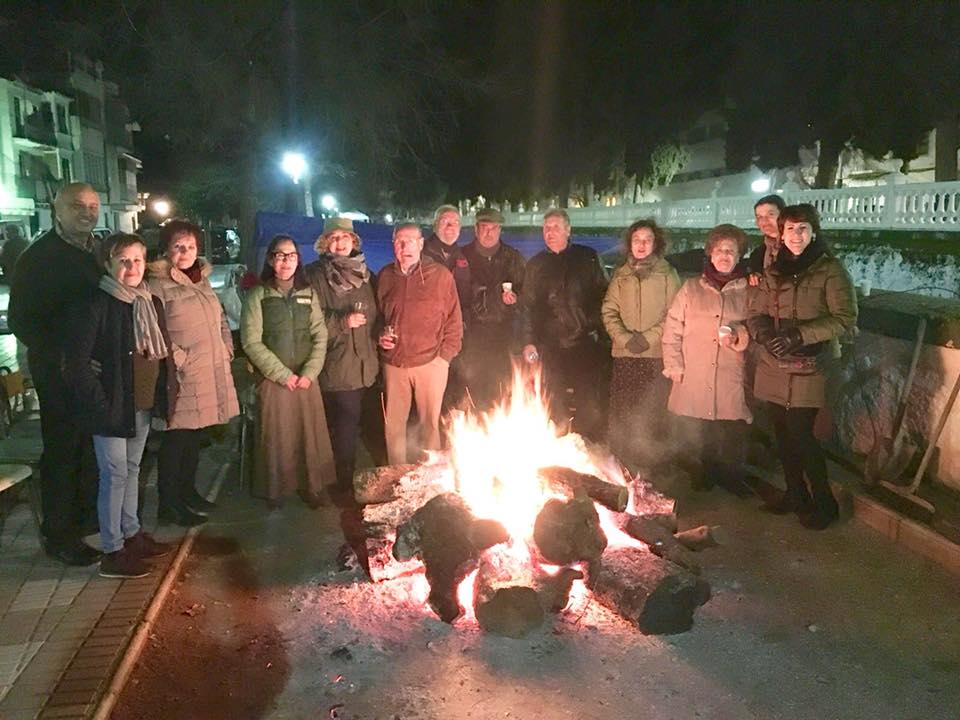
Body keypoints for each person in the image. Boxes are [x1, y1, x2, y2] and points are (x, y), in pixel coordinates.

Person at [63, 233, 172, 578]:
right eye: (123, 260)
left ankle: (131, 532)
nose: (131, 267)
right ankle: (112, 549)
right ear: (108, 264)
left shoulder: (147, 302)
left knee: (133, 471)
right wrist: (101, 405)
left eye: (137, 260)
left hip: (139, 403)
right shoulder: (96, 304)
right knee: (114, 475)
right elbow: (76, 365)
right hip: (111, 408)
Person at [8, 183, 103, 565]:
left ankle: (84, 522)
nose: (87, 212)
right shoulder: (39, 258)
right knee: (63, 450)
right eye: (78, 206)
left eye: (93, 206)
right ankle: (59, 535)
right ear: (56, 210)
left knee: (88, 448)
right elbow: (21, 321)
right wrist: (69, 357)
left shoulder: (95, 250)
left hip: (93, 372)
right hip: (60, 373)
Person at [747, 204, 857, 529]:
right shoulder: (774, 270)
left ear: (814, 232)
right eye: (790, 229)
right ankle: (795, 496)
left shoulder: (831, 270)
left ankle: (824, 502)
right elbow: (756, 312)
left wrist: (799, 334)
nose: (796, 236)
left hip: (811, 362)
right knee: (781, 435)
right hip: (774, 363)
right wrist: (765, 334)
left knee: (801, 436)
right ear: (780, 234)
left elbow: (844, 318)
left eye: (803, 229)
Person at [146, 219, 239, 526]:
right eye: (178, 246)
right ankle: (170, 504)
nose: (185, 252)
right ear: (166, 249)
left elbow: (220, 318)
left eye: (191, 247)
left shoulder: (201, 280)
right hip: (182, 376)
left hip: (209, 371)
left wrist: (226, 347)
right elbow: (154, 331)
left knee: (195, 439)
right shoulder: (157, 284)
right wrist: (180, 359)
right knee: (176, 442)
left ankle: (189, 493)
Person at [242, 234, 335, 507]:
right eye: (280, 255)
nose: (286, 261)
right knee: (276, 437)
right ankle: (276, 489)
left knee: (308, 435)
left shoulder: (308, 293)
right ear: (271, 259)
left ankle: (311, 486)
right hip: (275, 380)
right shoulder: (258, 295)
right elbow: (251, 341)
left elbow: (320, 334)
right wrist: (282, 374)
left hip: (306, 379)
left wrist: (310, 372)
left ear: (298, 259)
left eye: (291, 255)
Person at [662, 224, 753, 495]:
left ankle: (731, 477)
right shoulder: (691, 288)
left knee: (729, 428)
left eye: (731, 251)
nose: (724, 255)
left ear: (738, 257)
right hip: (695, 369)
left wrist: (738, 334)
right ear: (710, 254)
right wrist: (674, 365)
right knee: (697, 428)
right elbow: (672, 329)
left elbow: (756, 328)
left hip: (730, 370)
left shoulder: (748, 290)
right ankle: (702, 475)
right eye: (719, 250)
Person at [377, 222, 463, 464]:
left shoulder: (440, 276)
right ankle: (397, 476)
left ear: (421, 244)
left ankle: (432, 477)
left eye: (411, 241)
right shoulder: (385, 276)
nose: (405, 247)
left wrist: (444, 358)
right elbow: (377, 318)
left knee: (429, 425)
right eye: (399, 242)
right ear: (393, 245)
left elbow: (454, 321)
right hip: (395, 363)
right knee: (393, 425)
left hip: (431, 362)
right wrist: (379, 336)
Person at [305, 218, 379, 492]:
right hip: (335, 362)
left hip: (365, 363)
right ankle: (341, 481)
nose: (340, 243)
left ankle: (347, 474)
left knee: (354, 422)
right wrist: (342, 322)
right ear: (325, 243)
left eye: (345, 238)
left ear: (354, 242)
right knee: (343, 424)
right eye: (334, 238)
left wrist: (381, 334)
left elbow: (375, 316)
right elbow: (307, 320)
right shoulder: (314, 275)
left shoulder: (365, 274)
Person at [521, 208, 607, 439]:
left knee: (589, 403)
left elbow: (605, 297)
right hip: (549, 346)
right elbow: (527, 306)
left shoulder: (587, 258)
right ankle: (559, 448)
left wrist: (598, 331)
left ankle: (586, 447)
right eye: (546, 228)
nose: (550, 232)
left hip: (584, 343)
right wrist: (529, 342)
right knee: (553, 402)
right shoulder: (536, 265)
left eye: (556, 227)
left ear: (568, 230)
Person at [601, 218, 680, 464]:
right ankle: (620, 462)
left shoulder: (667, 274)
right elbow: (608, 310)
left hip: (655, 356)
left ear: (656, 244)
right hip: (625, 355)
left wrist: (647, 338)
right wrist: (624, 339)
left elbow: (675, 314)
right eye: (636, 240)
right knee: (622, 410)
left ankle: (650, 464)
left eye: (647, 240)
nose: (641, 245)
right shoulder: (621, 275)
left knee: (651, 411)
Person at [459, 208, 526, 408]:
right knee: (471, 387)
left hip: (503, 334)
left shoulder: (512, 258)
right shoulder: (462, 257)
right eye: (484, 228)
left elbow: (526, 292)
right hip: (471, 334)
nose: (488, 233)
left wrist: (515, 299)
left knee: (501, 388)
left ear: (500, 230)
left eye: (493, 228)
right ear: (476, 230)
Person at [423, 204, 471, 310]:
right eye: (444, 222)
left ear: (459, 228)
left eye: (455, 222)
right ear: (435, 226)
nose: (450, 226)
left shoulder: (463, 257)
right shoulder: (420, 255)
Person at [744, 194, 786, 275]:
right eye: (759, 217)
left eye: (770, 214)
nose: (764, 221)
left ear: (783, 215)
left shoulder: (797, 248)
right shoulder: (757, 255)